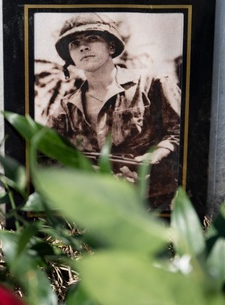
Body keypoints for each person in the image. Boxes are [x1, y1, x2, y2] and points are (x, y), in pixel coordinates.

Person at [44, 13, 182, 209]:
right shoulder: (65, 109)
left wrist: (157, 154)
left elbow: (183, 133)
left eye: (92, 38)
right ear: (71, 57)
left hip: (153, 203)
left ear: (111, 46)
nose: (83, 47)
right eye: (74, 43)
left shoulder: (153, 85)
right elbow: (48, 156)